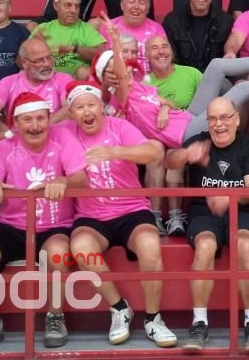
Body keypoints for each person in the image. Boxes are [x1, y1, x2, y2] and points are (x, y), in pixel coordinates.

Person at [0, 92, 88, 352]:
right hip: (12, 225)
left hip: (55, 224)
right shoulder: (6, 146)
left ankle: (55, 317)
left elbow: (81, 179)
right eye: (27, 120)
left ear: (49, 119)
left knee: (58, 253)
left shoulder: (63, 137)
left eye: (40, 118)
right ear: (16, 123)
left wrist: (63, 180)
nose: (35, 126)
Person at [61, 81, 178, 347]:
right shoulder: (65, 132)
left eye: (91, 105)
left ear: (101, 107)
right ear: (71, 113)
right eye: (79, 107)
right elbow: (30, 127)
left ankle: (153, 318)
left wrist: (115, 151)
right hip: (92, 215)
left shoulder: (120, 127)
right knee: (81, 249)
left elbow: (153, 152)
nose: (87, 111)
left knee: (150, 245)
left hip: (131, 210)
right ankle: (119, 308)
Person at [95, 14, 249, 151]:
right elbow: (119, 77)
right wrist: (115, 41)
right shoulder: (121, 95)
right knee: (239, 89)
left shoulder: (140, 86)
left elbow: (165, 103)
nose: (126, 68)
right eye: (118, 67)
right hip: (185, 134)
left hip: (188, 116)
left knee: (216, 65)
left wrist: (164, 108)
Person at [165, 97, 249, 353]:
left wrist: (229, 197)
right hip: (203, 212)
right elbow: (170, 161)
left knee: (244, 245)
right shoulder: (199, 140)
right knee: (206, 246)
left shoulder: (248, 145)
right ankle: (199, 323)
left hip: (240, 210)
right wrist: (185, 154)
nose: (218, 124)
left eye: (224, 117)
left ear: (237, 119)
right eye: (212, 118)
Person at [145, 35, 203, 236]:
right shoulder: (144, 82)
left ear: (171, 51)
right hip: (157, 134)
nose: (161, 51)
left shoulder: (191, 73)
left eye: (165, 46)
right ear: (147, 56)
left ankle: (176, 217)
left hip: (185, 132)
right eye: (154, 48)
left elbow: (207, 102)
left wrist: (166, 107)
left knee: (175, 153)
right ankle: (154, 217)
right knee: (155, 152)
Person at [162, 0, 233, 72]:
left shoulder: (225, 21)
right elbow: (171, 60)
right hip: (184, 77)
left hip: (216, 77)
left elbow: (230, 60)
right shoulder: (172, 21)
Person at [0, 38, 73, 128]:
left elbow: (69, 108)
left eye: (49, 57)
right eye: (39, 60)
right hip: (17, 135)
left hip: (55, 133)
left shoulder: (63, 79)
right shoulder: (8, 83)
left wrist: (40, 129)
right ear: (24, 63)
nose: (47, 64)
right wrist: (6, 132)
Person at [30, 0, 106, 79]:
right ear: (56, 6)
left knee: (84, 72)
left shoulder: (86, 29)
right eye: (68, 5)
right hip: (47, 78)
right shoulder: (44, 28)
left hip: (76, 81)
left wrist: (75, 48)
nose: (73, 10)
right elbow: (22, 58)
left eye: (76, 6)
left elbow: (102, 55)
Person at [101, 0, 167, 73]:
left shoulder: (156, 29)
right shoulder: (109, 27)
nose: (136, 6)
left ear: (147, 8)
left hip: (149, 78)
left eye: (141, 3)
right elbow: (101, 61)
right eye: (131, 2)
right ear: (122, 5)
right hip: (117, 77)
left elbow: (164, 58)